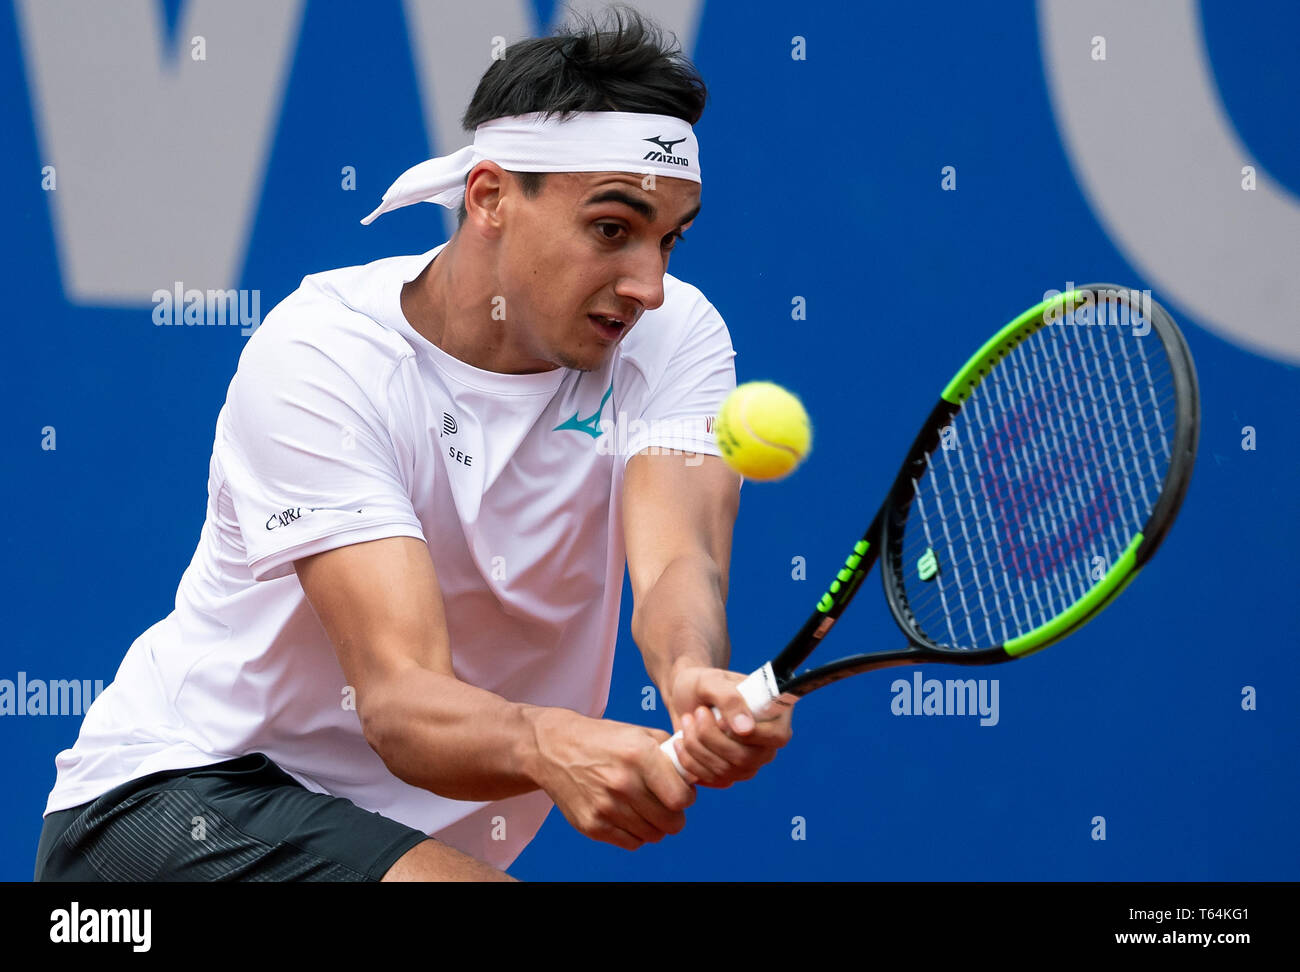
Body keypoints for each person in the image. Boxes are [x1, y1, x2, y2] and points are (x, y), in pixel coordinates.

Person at [34, 7, 792, 883]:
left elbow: (675, 566)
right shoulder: (324, 357)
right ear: (490, 198)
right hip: (170, 810)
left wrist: (693, 673)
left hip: (387, 845)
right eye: (611, 230)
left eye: (669, 239)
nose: (649, 284)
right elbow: (396, 700)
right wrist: (546, 741)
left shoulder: (673, 336)